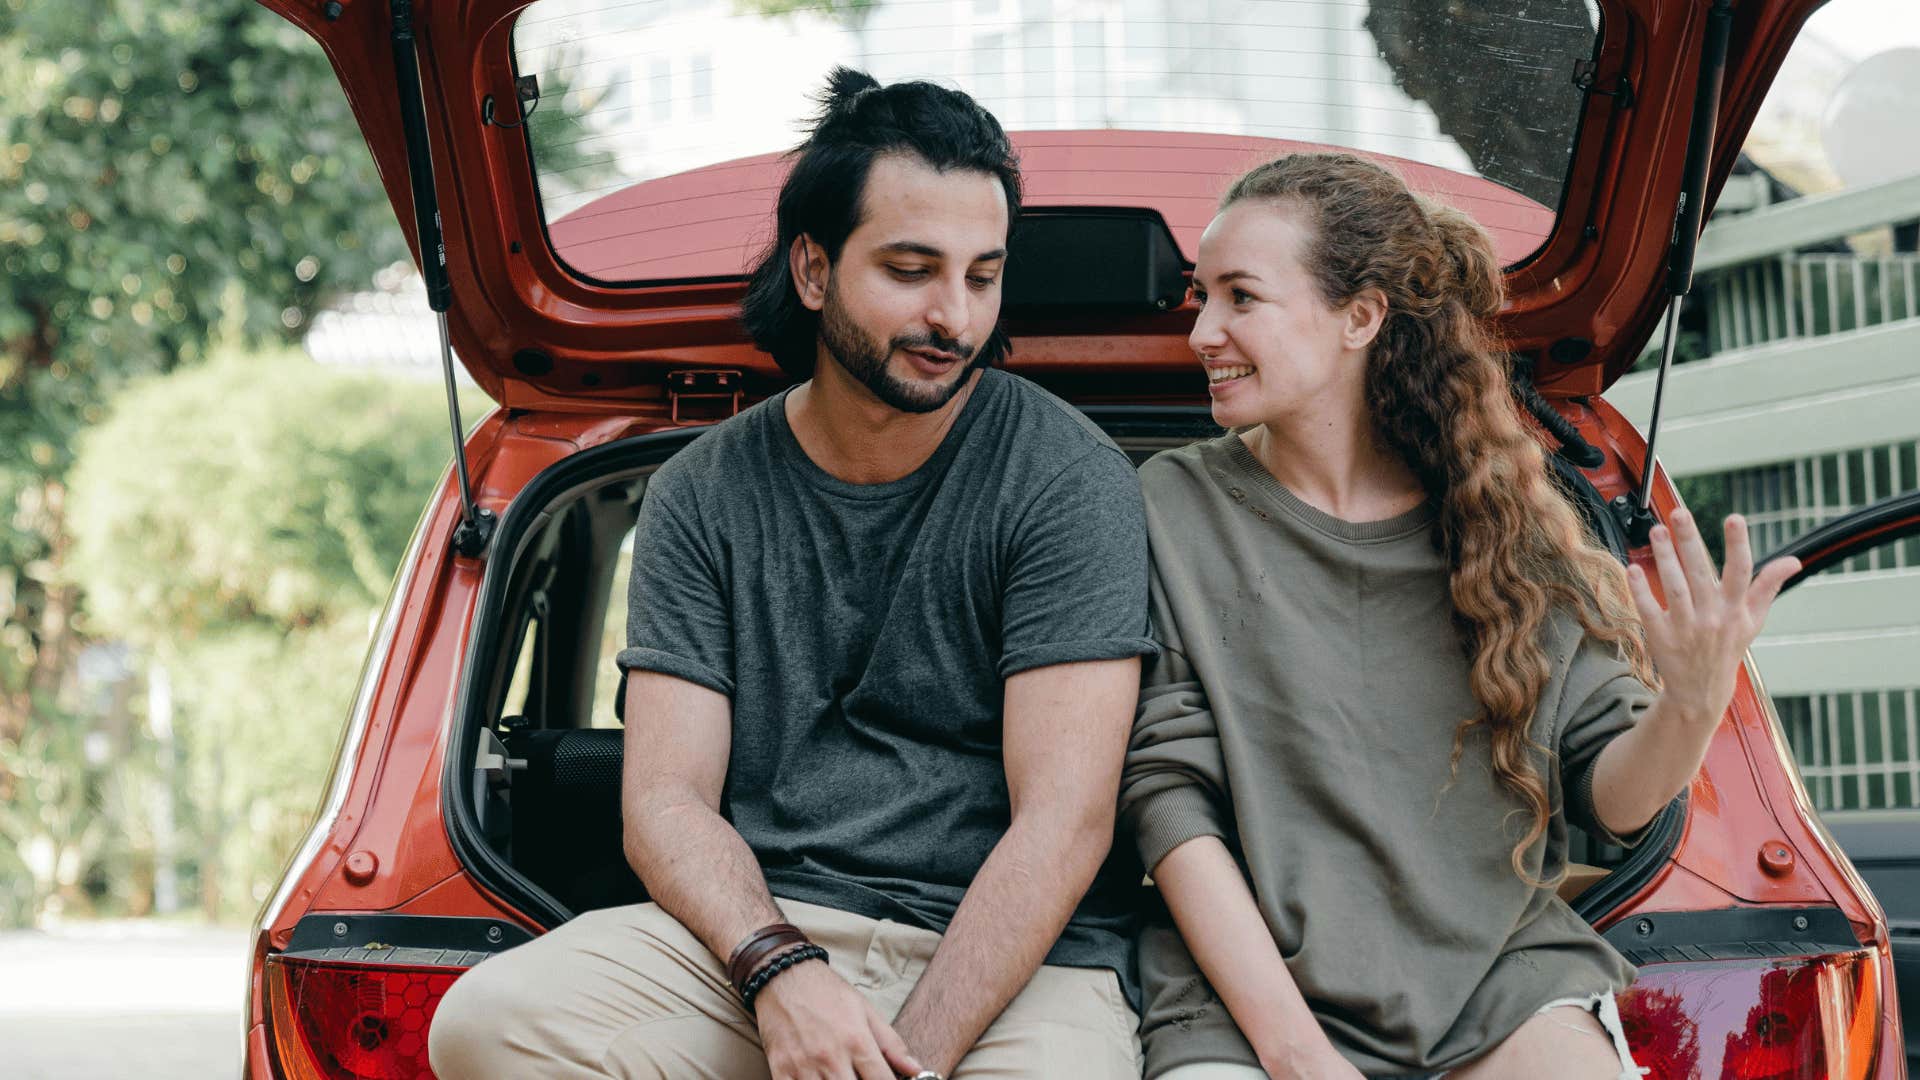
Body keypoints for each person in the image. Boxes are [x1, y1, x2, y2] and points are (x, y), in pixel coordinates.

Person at [427, 68, 1154, 1080]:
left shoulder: (1065, 479)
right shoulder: (700, 494)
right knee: (489, 1021)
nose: (954, 316)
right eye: (911, 270)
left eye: (982, 276)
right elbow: (668, 802)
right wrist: (781, 973)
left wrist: (913, 1064)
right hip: (765, 936)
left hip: (1024, 961)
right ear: (814, 272)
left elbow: (1063, 823)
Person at [1117, 152, 1799, 1080]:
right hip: (1241, 1001)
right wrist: (1302, 1060)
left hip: (1494, 984)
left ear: (1360, 317)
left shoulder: (1502, 518)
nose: (1203, 330)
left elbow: (1610, 799)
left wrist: (1690, 705)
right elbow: (1168, 801)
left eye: (1241, 297)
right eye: (1204, 296)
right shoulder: (1171, 506)